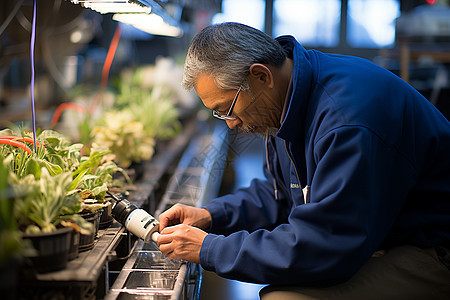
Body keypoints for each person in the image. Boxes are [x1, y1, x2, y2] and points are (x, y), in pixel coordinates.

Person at [156, 22, 450, 299]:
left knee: (283, 296)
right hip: (381, 233)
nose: (231, 124)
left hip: (432, 248)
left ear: (261, 76)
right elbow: (282, 194)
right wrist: (211, 215)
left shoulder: (347, 121)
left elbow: (326, 244)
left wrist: (210, 248)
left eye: (228, 108)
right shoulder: (287, 96)